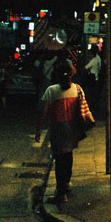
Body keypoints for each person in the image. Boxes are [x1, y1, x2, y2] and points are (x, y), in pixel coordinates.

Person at [35, 63, 94, 205]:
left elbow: (43, 112)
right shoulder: (77, 88)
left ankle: (60, 193)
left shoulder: (51, 90)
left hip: (57, 129)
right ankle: (66, 185)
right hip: (72, 129)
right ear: (72, 74)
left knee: (60, 160)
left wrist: (38, 130)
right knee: (68, 158)